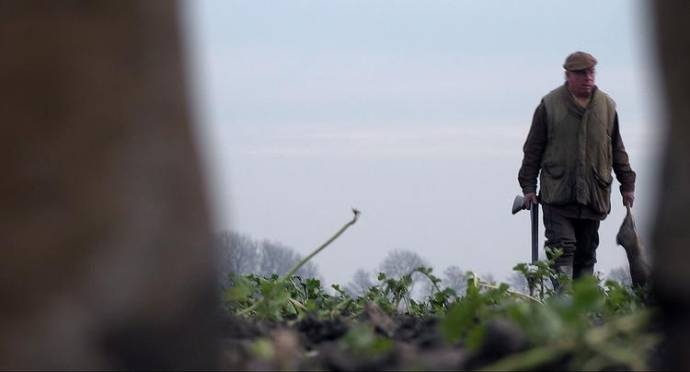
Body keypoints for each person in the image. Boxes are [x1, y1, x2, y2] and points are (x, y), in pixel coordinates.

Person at [517, 51, 636, 280]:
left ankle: (583, 309)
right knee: (562, 248)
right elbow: (532, 150)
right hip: (557, 194)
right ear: (568, 75)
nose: (588, 77)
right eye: (581, 73)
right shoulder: (549, 106)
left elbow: (617, 149)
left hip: (594, 195)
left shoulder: (607, 107)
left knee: (586, 253)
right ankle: (564, 301)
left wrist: (627, 184)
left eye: (591, 72)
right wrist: (529, 188)